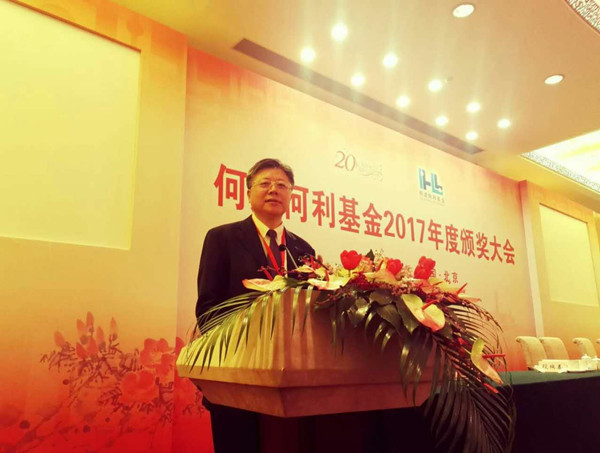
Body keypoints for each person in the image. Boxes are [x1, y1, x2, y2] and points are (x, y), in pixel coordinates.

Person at [195, 158, 316, 452]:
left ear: (291, 195)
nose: (274, 190)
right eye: (265, 183)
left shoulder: (303, 250)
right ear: (248, 193)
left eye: (282, 185)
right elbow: (208, 307)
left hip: (291, 383)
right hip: (237, 377)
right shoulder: (221, 238)